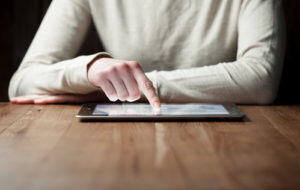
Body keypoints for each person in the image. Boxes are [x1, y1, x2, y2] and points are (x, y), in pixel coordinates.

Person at [9, 0, 285, 108]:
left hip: (231, 145)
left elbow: (260, 79)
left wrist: (132, 87)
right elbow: (21, 83)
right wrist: (90, 69)